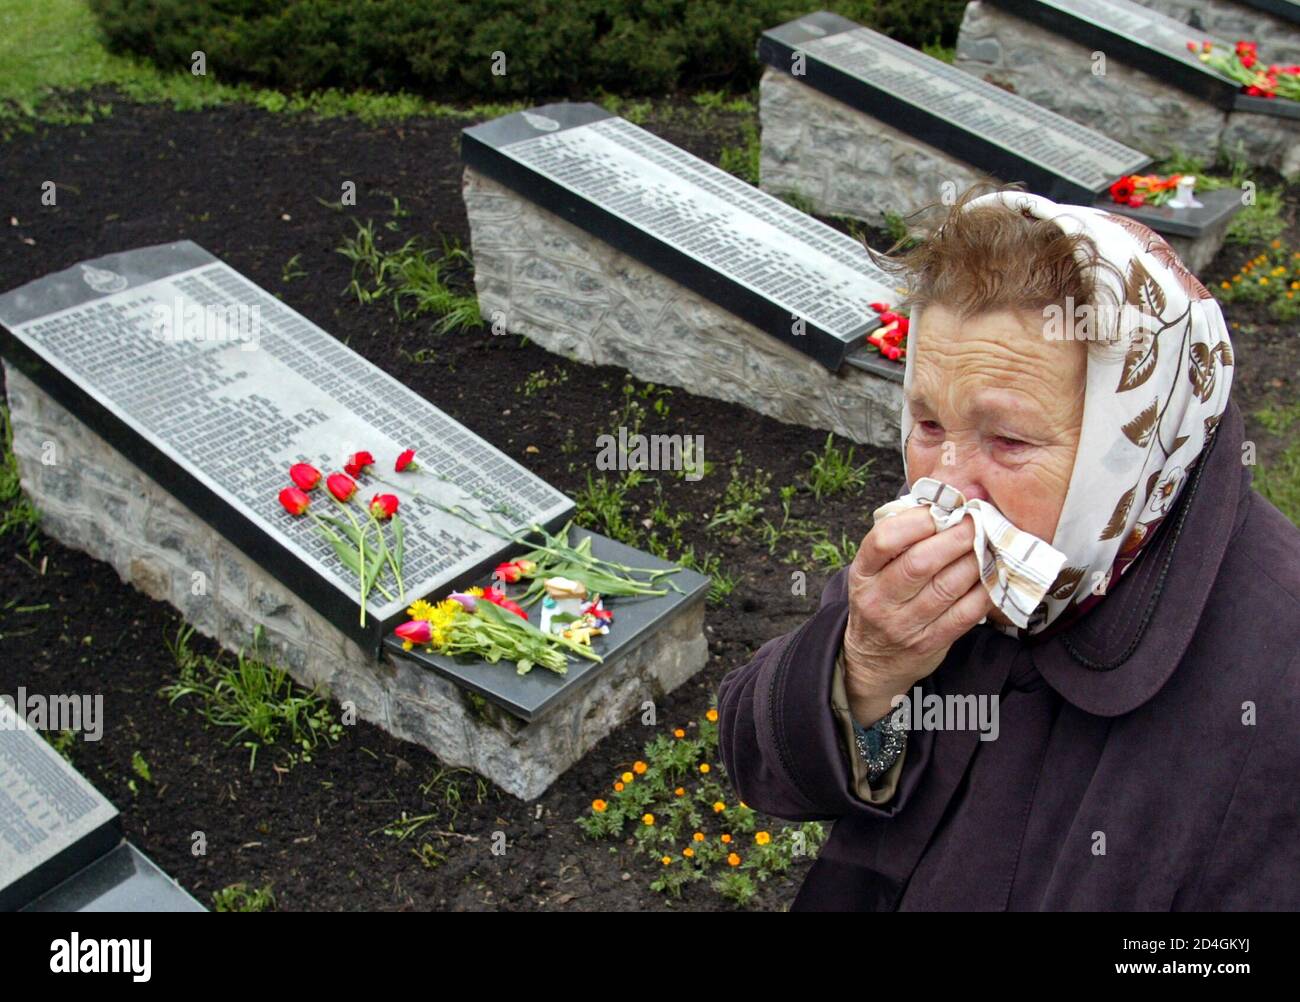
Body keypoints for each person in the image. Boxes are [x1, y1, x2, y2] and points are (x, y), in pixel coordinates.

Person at [717, 185, 1300, 910]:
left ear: (1135, 443)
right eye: (928, 424)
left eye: (1010, 440)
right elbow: (757, 766)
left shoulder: (1276, 677)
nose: (948, 483)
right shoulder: (949, 544)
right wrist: (864, 669)